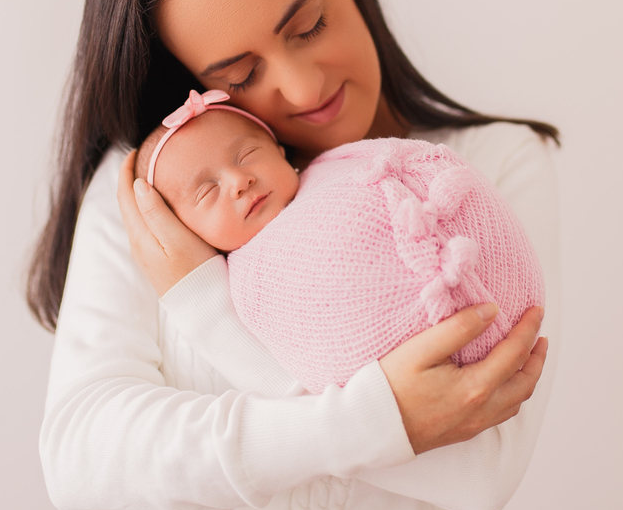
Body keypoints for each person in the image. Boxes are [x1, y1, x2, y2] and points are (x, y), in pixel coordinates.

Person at [28, 0, 561, 510]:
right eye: (239, 76)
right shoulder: (158, 194)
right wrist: (371, 422)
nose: (304, 84)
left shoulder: (482, 172)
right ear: (193, 89)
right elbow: (84, 461)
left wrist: (204, 303)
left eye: (309, 24)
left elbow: (483, 473)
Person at [133, 90, 545, 395]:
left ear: (281, 152)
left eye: (248, 155)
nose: (240, 181)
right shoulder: (249, 282)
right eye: (208, 192)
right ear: (182, 231)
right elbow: (307, 363)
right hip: (419, 368)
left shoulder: (337, 167)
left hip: (494, 287)